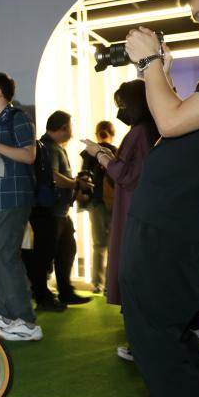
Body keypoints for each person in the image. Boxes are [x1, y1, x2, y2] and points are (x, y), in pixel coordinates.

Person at [119, 0, 199, 397]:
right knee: (171, 347)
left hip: (172, 232)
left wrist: (151, 63)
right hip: (168, 227)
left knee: (159, 351)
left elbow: (172, 123)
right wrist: (162, 77)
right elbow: (174, 125)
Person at [82, 80, 158, 362]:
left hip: (132, 210)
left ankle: (141, 345)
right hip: (142, 209)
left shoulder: (139, 132)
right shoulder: (151, 129)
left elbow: (125, 174)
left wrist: (99, 155)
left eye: (122, 104)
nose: (120, 110)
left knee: (133, 275)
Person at [0, 72, 43, 341]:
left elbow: (29, 155)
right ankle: (7, 313)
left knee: (6, 256)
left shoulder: (18, 117)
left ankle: (26, 320)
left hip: (12, 197)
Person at [26, 111, 93, 310]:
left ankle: (64, 291)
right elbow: (53, 177)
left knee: (65, 251)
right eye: (70, 126)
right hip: (50, 212)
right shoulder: (49, 148)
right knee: (45, 255)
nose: (71, 130)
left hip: (56, 211)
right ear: (64, 127)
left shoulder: (50, 147)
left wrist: (74, 187)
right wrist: (76, 184)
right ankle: (45, 297)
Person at [79, 121, 116, 293]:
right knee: (114, 245)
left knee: (98, 244)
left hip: (95, 202)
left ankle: (97, 283)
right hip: (114, 202)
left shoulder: (88, 153)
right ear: (112, 134)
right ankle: (110, 284)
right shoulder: (115, 151)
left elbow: (84, 176)